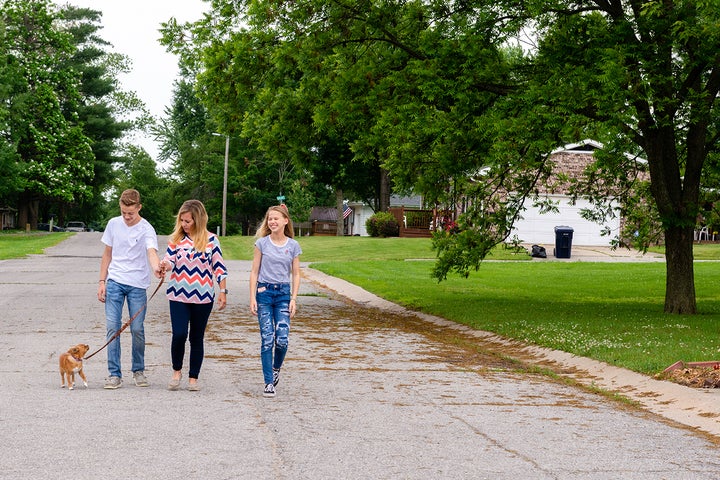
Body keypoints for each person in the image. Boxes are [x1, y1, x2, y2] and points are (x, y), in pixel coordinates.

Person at [160, 200, 227, 392]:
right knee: (179, 334)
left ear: (198, 220)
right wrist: (164, 265)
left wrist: (222, 291)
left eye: (188, 221)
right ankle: (176, 371)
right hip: (178, 294)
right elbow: (169, 259)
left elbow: (219, 267)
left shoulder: (211, 240)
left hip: (203, 296)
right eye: (182, 221)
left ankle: (193, 377)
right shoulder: (176, 240)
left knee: (196, 337)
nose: (184, 224)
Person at [97, 189, 162, 389]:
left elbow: (151, 252)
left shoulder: (146, 229)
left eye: (130, 213)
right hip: (115, 280)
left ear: (139, 207)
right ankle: (114, 374)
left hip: (137, 284)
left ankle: (138, 370)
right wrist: (102, 281)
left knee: (136, 329)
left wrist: (157, 268)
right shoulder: (113, 224)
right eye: (124, 212)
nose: (126, 217)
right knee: (112, 327)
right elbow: (107, 254)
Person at [249, 205, 301, 398]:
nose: (272, 222)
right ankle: (268, 382)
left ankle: (276, 368)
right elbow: (254, 272)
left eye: (276, 218)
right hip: (264, 293)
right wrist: (252, 297)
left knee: (283, 340)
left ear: (285, 221)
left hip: (283, 295)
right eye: (270, 219)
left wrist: (294, 299)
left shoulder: (293, 246)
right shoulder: (262, 244)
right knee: (267, 340)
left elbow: (296, 274)